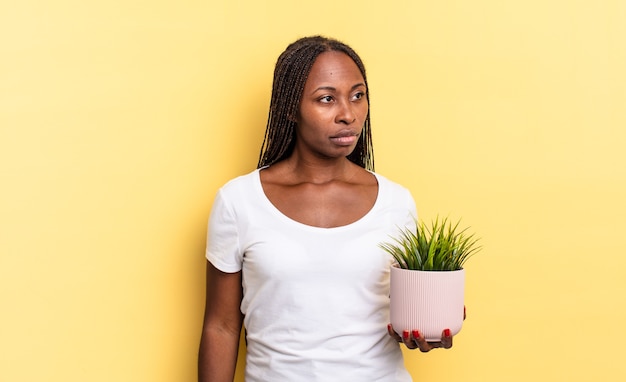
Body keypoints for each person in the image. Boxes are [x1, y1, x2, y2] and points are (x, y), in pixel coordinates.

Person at [199, 35, 455, 382]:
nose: (347, 114)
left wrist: (423, 328)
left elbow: (400, 313)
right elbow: (222, 326)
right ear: (290, 108)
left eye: (357, 95)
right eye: (326, 99)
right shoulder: (239, 201)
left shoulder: (396, 202)